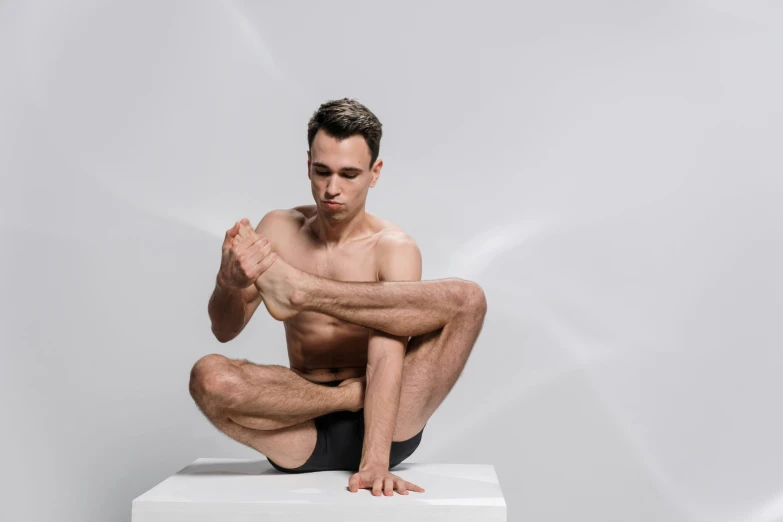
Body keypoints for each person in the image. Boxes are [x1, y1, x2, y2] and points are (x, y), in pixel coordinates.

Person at [190, 98, 487, 497]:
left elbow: (385, 354)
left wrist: (376, 464)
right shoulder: (278, 228)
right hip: (299, 421)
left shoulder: (392, 248)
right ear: (307, 163)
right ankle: (347, 394)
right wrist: (227, 282)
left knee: (467, 299)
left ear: (374, 172)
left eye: (349, 174)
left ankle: (303, 290)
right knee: (208, 378)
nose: (332, 189)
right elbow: (224, 330)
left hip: (391, 422)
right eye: (322, 172)